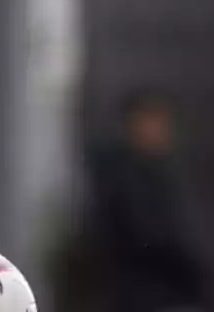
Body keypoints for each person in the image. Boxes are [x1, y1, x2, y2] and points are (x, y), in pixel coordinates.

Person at [87, 89, 207, 312]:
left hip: (166, 293)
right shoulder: (123, 177)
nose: (161, 131)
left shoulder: (160, 172)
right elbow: (147, 237)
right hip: (144, 294)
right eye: (152, 122)